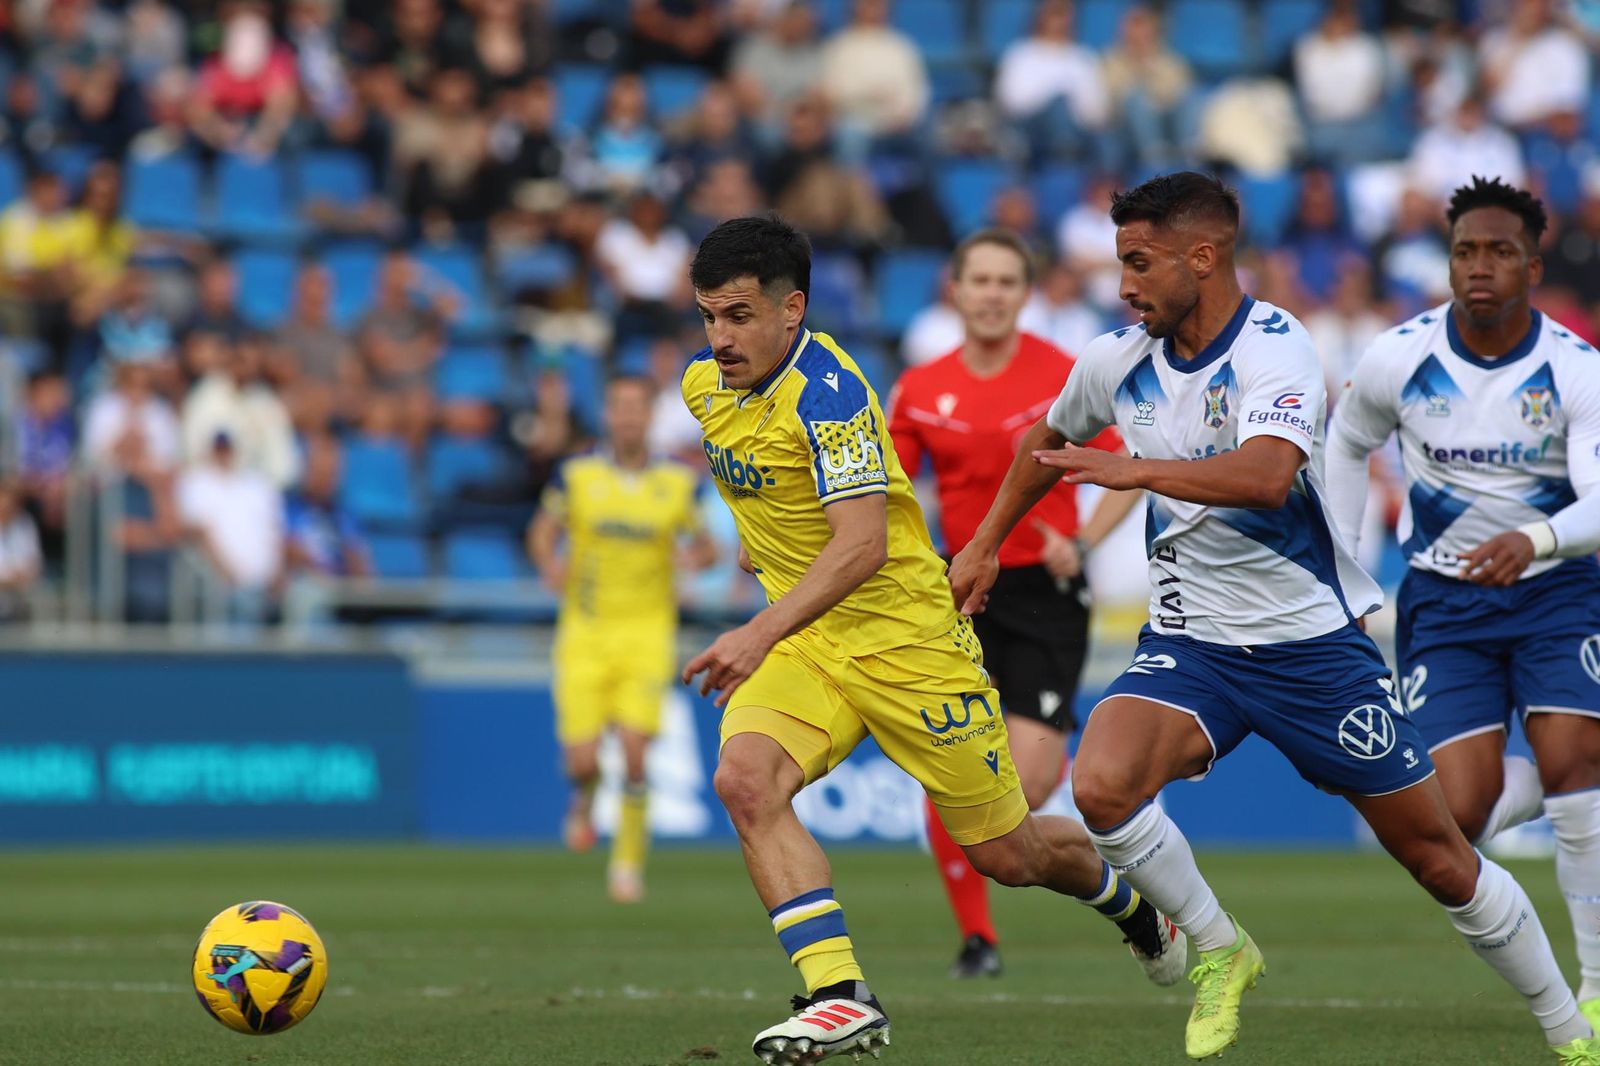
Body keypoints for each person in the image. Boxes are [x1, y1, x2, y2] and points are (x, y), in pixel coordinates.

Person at [946, 171, 1600, 1064]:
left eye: (1139, 264)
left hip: (1310, 651)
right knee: (1100, 784)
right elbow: (1046, 445)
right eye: (1119, 264)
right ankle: (1221, 946)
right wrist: (984, 545)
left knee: (1443, 856)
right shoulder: (1114, 359)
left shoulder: (1276, 345)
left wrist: (1138, 473)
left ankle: (1571, 1033)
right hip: (1191, 642)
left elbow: (1264, 476)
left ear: (1202, 257)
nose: (1125, 284)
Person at [680, 216, 1184, 1065]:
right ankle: (841, 996)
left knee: (1009, 853)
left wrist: (755, 628)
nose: (718, 339)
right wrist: (758, 545)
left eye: (736, 316)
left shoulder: (834, 396)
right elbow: (764, 488)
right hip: (810, 646)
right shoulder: (704, 386)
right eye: (706, 317)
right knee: (745, 779)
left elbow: (862, 544)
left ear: (792, 309)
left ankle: (1132, 907)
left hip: (907, 644)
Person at [1325, 177, 1600, 1035]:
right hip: (1444, 602)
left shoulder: (1576, 369)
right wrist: (1348, 576)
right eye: (1465, 252)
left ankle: (1593, 984)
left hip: (1558, 593)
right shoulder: (1398, 356)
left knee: (1571, 766)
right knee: (1456, 815)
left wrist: (1538, 541)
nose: (1480, 267)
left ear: (1531, 263)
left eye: (1499, 252)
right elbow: (1345, 442)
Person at [887, 228, 1140, 978]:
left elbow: (1123, 462)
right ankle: (977, 938)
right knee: (949, 765)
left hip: (1044, 593)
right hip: (959, 591)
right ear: (955, 291)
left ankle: (1116, 879)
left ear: (1025, 295)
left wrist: (1085, 539)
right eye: (980, 281)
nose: (993, 294)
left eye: (1007, 282)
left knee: (1025, 786)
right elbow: (888, 493)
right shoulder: (920, 386)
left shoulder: (1063, 377)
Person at [527, 375, 717, 905]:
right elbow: (542, 530)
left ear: (649, 416)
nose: (629, 417)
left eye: (638, 407)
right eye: (619, 407)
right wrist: (549, 562)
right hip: (584, 636)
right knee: (582, 763)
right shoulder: (577, 477)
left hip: (647, 635)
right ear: (608, 415)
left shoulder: (679, 484)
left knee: (635, 755)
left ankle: (627, 865)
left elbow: (708, 546)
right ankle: (583, 798)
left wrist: (690, 561)